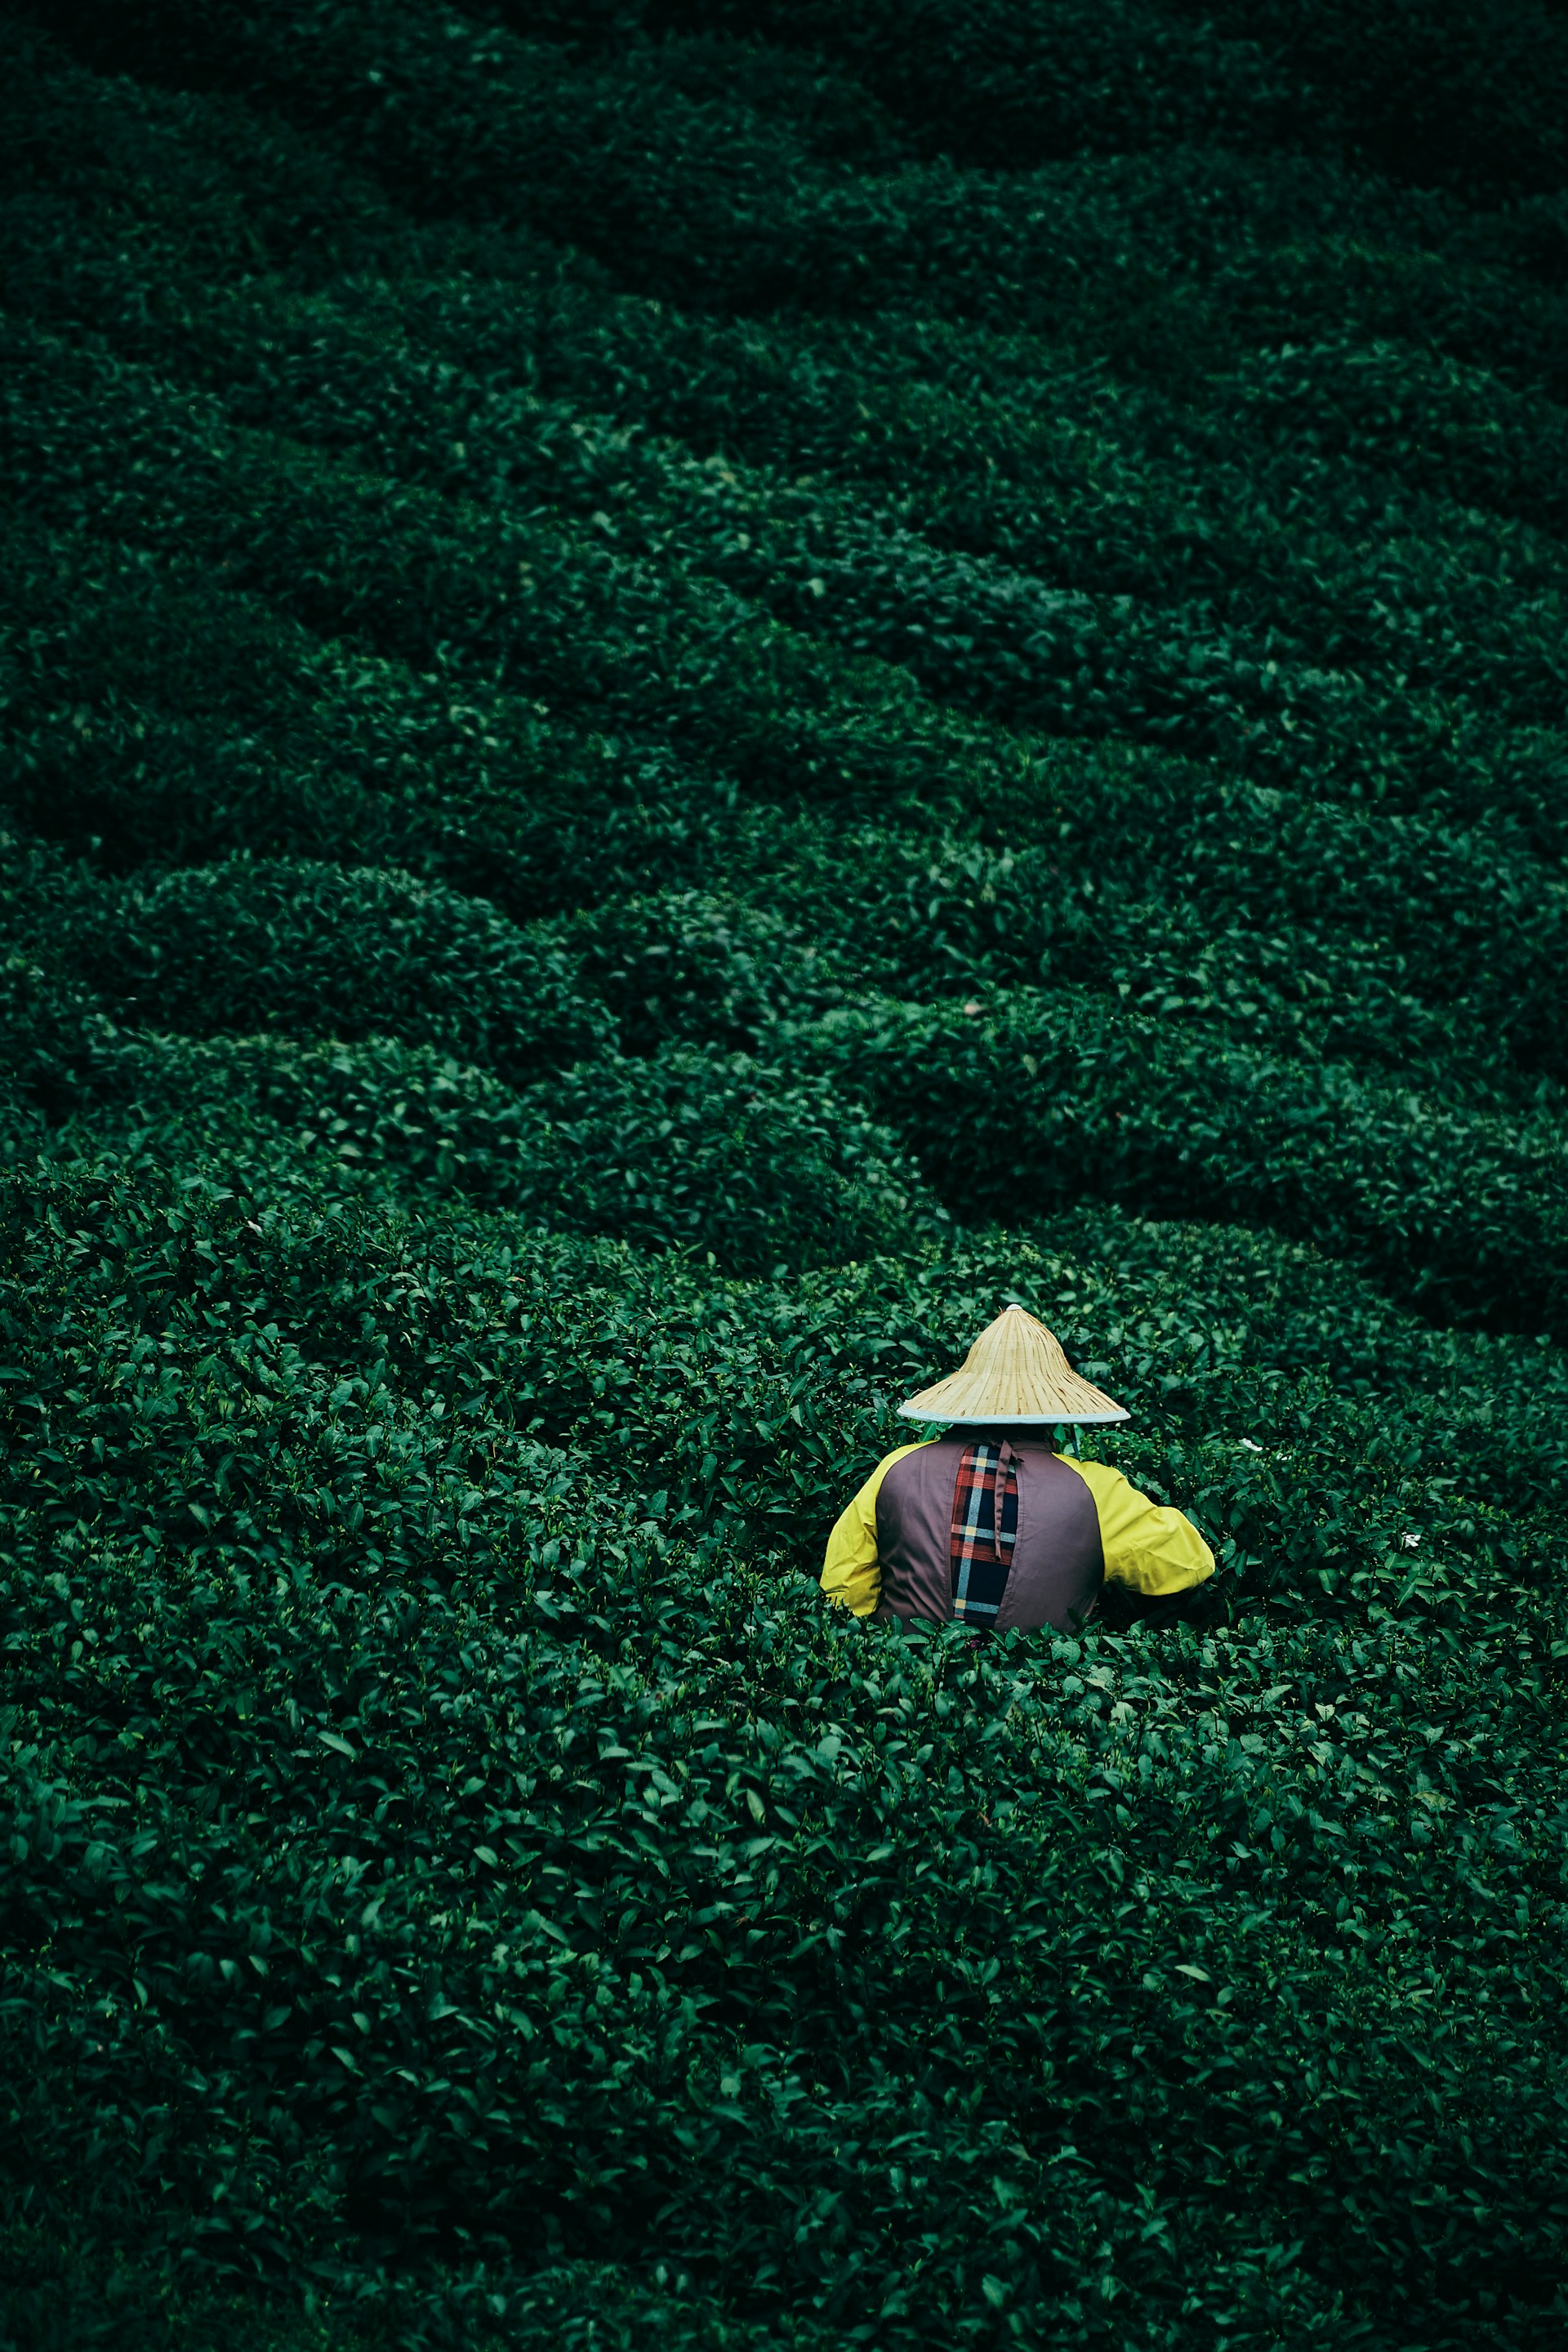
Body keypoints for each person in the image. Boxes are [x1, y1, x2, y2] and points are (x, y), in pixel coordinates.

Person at [820, 1303, 1214, 1634]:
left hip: (905, 1677)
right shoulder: (1096, 1490)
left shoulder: (897, 1467)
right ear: (1056, 1412)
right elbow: (1190, 1563)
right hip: (1039, 1687)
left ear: (966, 1401)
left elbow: (845, 1586)